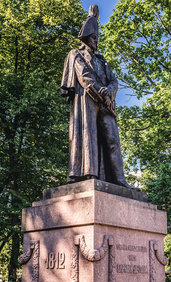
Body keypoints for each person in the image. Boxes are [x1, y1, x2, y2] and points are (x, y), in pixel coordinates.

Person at [60, 4, 136, 189]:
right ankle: (88, 173)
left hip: (105, 104)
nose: (96, 41)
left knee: (112, 140)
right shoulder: (76, 54)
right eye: (94, 37)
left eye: (97, 37)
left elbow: (114, 80)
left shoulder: (102, 60)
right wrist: (101, 92)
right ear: (87, 37)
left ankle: (119, 179)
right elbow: (84, 76)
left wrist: (110, 90)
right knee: (88, 136)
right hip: (87, 101)